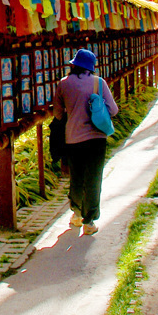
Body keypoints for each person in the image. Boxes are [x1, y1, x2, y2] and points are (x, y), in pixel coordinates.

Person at [51, 48, 117, 235]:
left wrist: (72, 112)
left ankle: (77, 214)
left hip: (73, 138)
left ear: (74, 65)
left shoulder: (64, 84)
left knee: (77, 177)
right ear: (91, 67)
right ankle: (90, 223)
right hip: (97, 139)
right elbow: (113, 110)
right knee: (94, 178)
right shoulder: (99, 83)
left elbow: (57, 113)